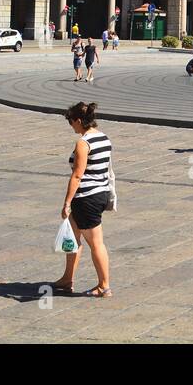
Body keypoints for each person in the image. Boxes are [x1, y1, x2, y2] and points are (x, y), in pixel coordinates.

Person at [52, 101, 114, 298]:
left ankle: (104, 286)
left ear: (79, 120)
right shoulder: (104, 138)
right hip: (101, 193)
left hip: (86, 197)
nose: (71, 126)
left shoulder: (83, 143)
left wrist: (67, 202)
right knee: (73, 239)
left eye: (71, 122)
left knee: (96, 243)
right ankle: (67, 279)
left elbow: (77, 175)